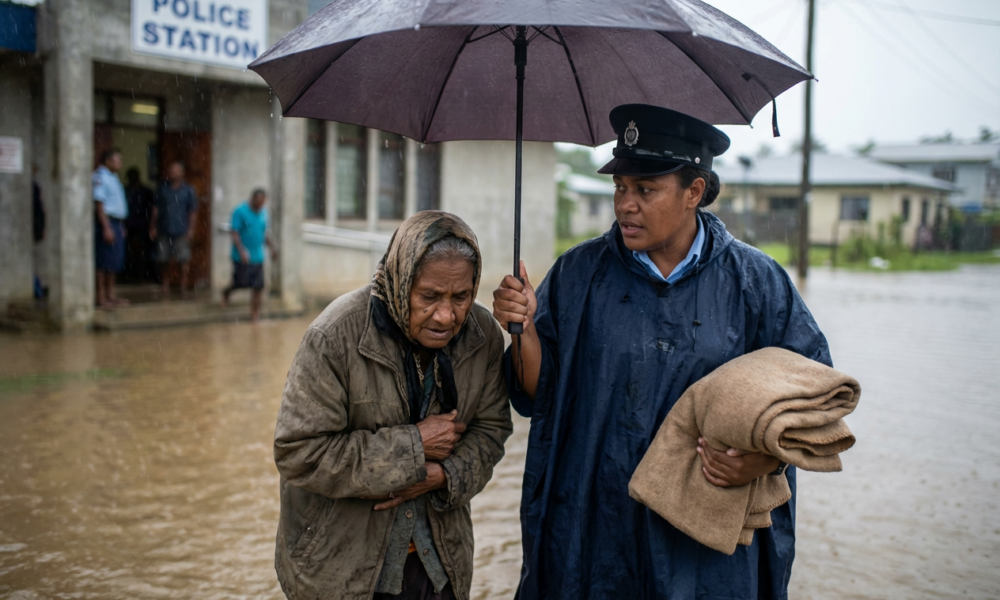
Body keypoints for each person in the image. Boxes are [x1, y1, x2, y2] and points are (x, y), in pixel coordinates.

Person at [492, 105, 831, 599]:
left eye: (645, 190)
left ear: (694, 191)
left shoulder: (756, 283)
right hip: (597, 529)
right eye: (620, 188)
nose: (626, 204)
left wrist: (760, 462)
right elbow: (539, 395)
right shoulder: (579, 274)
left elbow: (812, 396)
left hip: (707, 546)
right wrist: (521, 330)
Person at [273, 211, 513, 600]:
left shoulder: (482, 336)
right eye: (430, 296)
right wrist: (413, 448)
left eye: (461, 297)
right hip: (341, 571)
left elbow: (491, 432)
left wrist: (442, 476)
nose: (446, 315)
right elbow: (299, 453)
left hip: (440, 564)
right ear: (402, 283)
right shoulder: (335, 336)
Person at [221, 188, 277, 322]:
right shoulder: (240, 211)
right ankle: (226, 292)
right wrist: (242, 251)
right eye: (258, 202)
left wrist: (272, 248)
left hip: (258, 257)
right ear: (252, 199)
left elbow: (264, 233)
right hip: (241, 257)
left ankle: (254, 314)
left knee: (258, 286)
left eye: (263, 203)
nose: (260, 205)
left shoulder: (263, 213)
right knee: (240, 283)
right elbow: (234, 232)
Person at [151, 161, 198, 296]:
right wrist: (153, 226)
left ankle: (183, 286)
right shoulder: (162, 189)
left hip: (181, 229)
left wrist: (191, 229)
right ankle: (165, 285)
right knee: (163, 259)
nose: (172, 172)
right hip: (164, 228)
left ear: (182, 173)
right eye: (171, 170)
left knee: (183, 259)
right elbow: (156, 209)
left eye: (176, 170)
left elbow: (192, 211)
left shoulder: (189, 190)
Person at [93, 149, 129, 308]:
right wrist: (106, 227)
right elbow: (99, 204)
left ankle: (110, 294)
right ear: (107, 161)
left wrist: (120, 225)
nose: (120, 163)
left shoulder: (114, 178)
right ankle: (100, 297)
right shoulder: (100, 177)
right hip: (105, 222)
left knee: (114, 261)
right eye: (117, 160)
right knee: (103, 261)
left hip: (116, 223)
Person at [124, 167, 155, 281]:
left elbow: (152, 208)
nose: (133, 179)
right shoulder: (126, 191)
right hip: (129, 225)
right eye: (130, 177)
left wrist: (151, 225)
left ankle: (142, 275)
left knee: (142, 252)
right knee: (129, 252)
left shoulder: (146, 191)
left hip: (142, 225)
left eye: (134, 176)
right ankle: (131, 275)